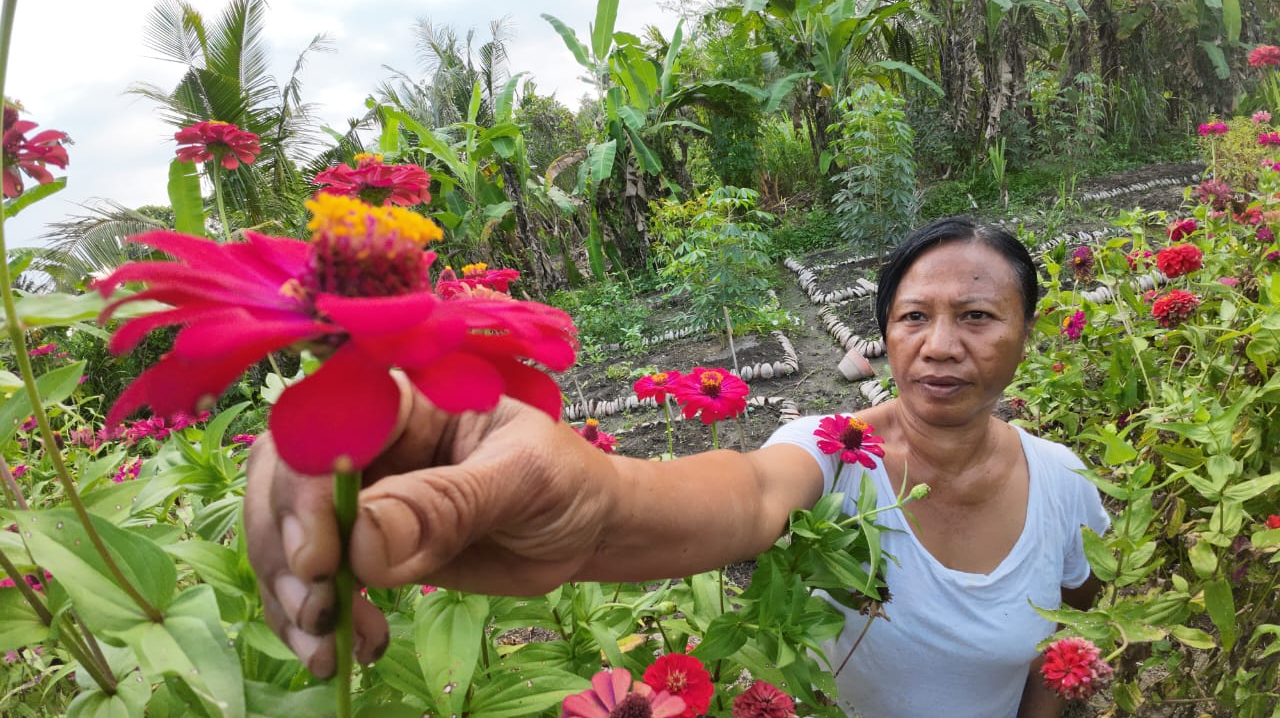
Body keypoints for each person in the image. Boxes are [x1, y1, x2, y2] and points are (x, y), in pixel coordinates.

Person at [245, 217, 1111, 718]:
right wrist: (592, 497)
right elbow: (747, 493)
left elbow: (1071, 631)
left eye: (979, 316)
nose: (942, 346)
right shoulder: (831, 447)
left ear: (1026, 333)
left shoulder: (1064, 484)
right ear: (884, 336)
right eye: (914, 316)